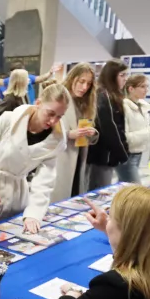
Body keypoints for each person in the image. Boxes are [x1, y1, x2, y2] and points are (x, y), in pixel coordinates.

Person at [0, 84, 70, 231]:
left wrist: (34, 214)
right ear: (38, 103)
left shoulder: (56, 141)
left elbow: (44, 181)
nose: (53, 121)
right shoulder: (9, 120)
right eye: (50, 113)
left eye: (59, 117)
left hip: (15, 198)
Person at [51, 63, 99, 202]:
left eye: (88, 83)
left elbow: (88, 127)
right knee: (58, 200)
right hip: (61, 159)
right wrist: (69, 134)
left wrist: (92, 132)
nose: (84, 87)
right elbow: (46, 130)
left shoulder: (86, 102)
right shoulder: (59, 97)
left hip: (78, 159)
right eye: (81, 81)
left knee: (73, 196)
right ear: (73, 78)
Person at [86, 58, 130, 190]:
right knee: (98, 191)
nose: (125, 79)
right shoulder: (103, 95)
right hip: (102, 155)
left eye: (126, 75)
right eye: (122, 75)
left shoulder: (112, 95)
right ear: (111, 76)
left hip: (106, 154)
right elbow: (109, 127)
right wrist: (122, 152)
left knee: (100, 189)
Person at [121, 73, 150, 178]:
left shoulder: (142, 107)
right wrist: (148, 133)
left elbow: (143, 131)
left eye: (147, 86)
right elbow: (124, 137)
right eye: (142, 86)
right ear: (131, 89)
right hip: (126, 155)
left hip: (138, 153)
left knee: (127, 189)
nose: (146, 89)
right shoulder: (124, 107)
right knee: (133, 188)